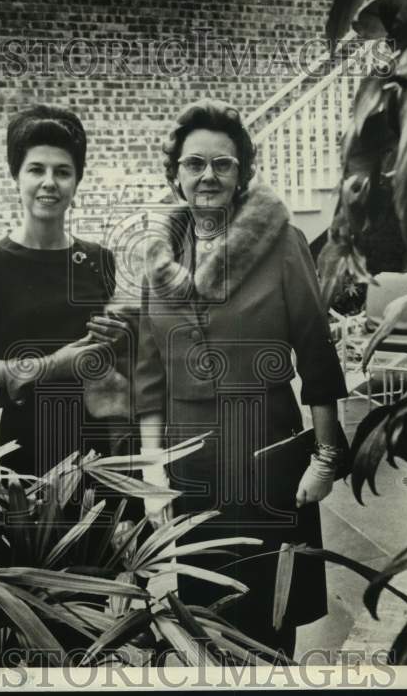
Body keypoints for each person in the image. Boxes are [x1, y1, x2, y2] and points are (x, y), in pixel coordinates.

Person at [134, 98, 349, 658]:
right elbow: (147, 369)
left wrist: (326, 456)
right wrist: (151, 464)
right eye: (194, 163)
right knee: (203, 614)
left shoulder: (282, 245)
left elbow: (317, 354)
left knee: (267, 615)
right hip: (189, 461)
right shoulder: (158, 255)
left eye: (223, 164)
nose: (208, 176)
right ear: (175, 173)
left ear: (242, 173)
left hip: (267, 453)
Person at [0, 105, 130, 479]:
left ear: (77, 181)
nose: (50, 182)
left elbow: (125, 352)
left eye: (63, 172)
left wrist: (125, 338)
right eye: (36, 169)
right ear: (16, 177)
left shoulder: (98, 260)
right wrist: (49, 366)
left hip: (99, 438)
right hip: (28, 440)